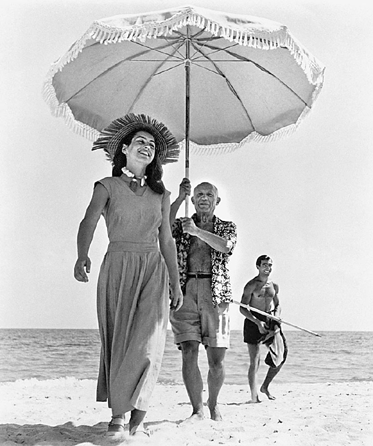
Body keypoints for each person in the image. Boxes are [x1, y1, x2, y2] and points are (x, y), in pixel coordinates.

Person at [73, 113, 183, 438]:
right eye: (140, 141)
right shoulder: (106, 186)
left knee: (149, 343)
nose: (146, 147)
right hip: (118, 266)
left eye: (151, 145)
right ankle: (119, 413)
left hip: (153, 269)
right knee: (121, 342)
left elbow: (166, 240)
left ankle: (140, 408)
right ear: (124, 148)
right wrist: (82, 254)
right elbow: (88, 222)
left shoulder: (162, 195)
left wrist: (176, 282)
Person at [169, 178, 237, 421]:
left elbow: (226, 247)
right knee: (188, 350)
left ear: (217, 200)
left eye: (209, 194)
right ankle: (197, 409)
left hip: (215, 293)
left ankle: (213, 404)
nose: (204, 198)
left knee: (216, 358)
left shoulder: (227, 226)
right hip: (185, 290)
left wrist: (197, 231)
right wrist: (179, 199)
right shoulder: (183, 224)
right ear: (193, 200)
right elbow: (162, 228)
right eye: (199, 194)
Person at [240, 255, 288, 403]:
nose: (268, 268)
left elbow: (277, 304)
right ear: (258, 267)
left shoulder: (274, 286)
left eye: (270, 265)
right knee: (255, 361)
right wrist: (256, 322)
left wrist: (277, 315)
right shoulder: (251, 285)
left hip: (269, 319)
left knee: (281, 355)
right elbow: (242, 309)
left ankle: (265, 386)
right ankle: (254, 396)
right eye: (265, 265)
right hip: (253, 320)